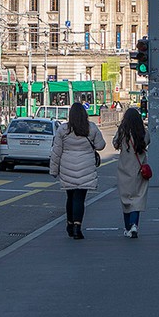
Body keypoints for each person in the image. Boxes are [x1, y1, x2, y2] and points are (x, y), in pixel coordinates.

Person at [48, 101, 105, 240]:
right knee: (80, 198)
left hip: (67, 166)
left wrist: (54, 170)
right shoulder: (91, 128)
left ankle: (69, 224)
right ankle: (77, 228)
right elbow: (100, 145)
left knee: (70, 197)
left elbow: (56, 151)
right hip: (86, 166)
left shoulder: (63, 129)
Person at [112, 107, 150, 238]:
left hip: (124, 170)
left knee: (126, 199)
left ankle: (128, 227)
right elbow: (147, 142)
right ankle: (134, 225)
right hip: (140, 171)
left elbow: (115, 144)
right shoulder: (143, 132)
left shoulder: (122, 132)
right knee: (137, 198)